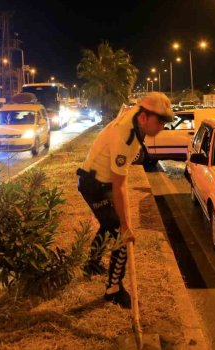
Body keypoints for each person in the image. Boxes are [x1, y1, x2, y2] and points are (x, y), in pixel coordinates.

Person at [77, 92, 173, 308]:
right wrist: (126, 224)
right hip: (94, 184)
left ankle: (92, 263)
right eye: (160, 121)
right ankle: (113, 289)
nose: (162, 127)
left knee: (109, 223)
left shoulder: (136, 118)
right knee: (121, 233)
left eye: (165, 122)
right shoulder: (126, 137)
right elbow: (120, 186)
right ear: (144, 117)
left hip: (101, 179)